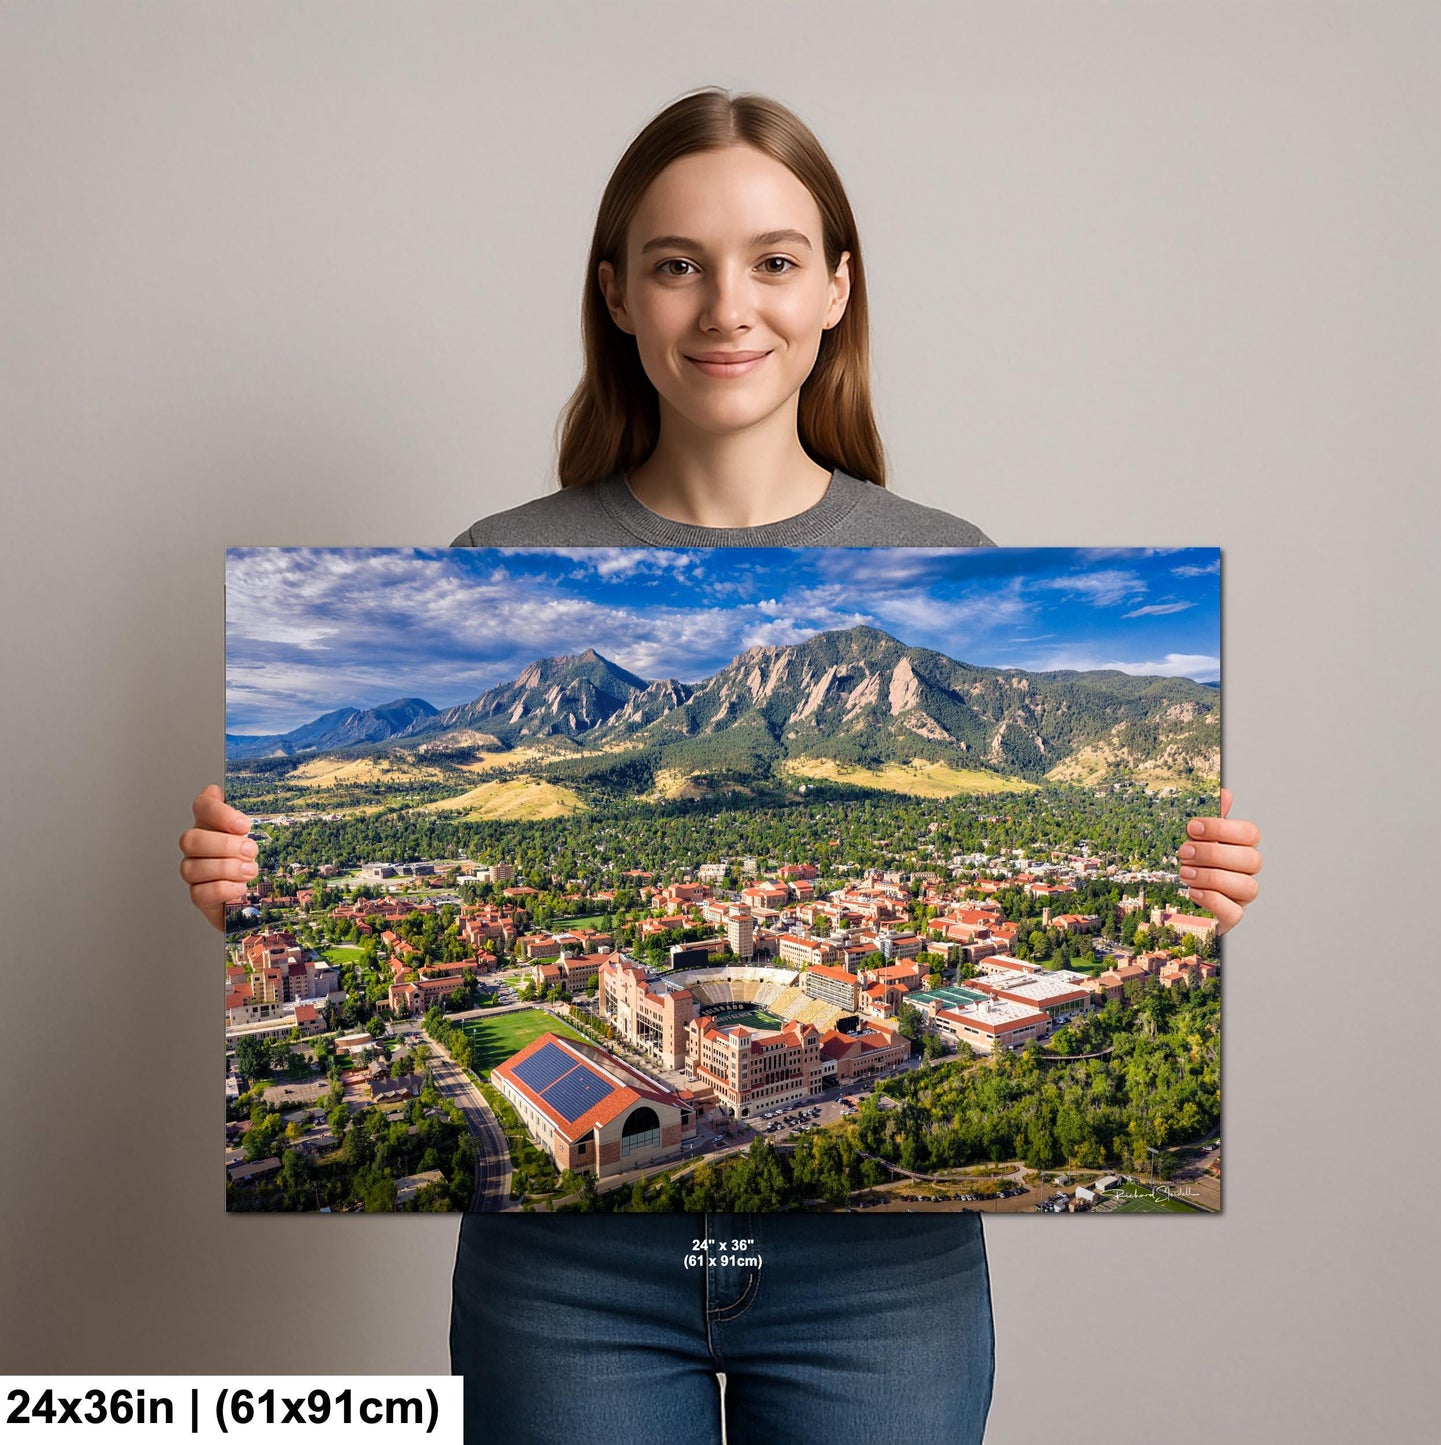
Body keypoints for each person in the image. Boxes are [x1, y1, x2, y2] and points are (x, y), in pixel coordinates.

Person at [180, 88, 1262, 1444]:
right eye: (676, 262)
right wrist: (249, 895)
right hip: (568, 1280)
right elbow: (264, 915)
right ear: (618, 295)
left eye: (773, 258)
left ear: (834, 291)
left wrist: (1196, 883)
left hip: (880, 1283)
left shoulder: (946, 543)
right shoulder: (506, 541)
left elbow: (1169, 885)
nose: (725, 305)